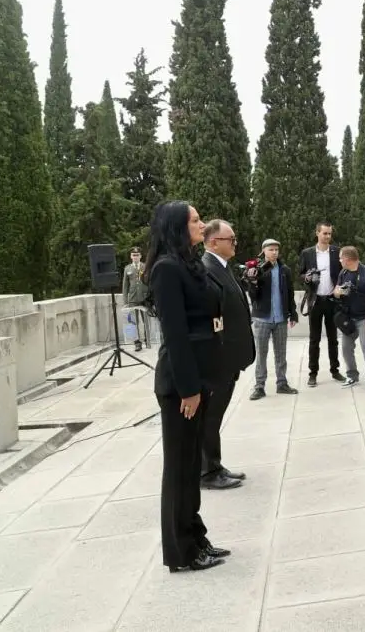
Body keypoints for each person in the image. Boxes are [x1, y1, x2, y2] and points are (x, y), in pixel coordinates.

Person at [143, 200, 228, 573]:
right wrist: (190, 389)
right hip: (181, 385)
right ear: (178, 226)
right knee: (179, 469)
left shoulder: (189, 263)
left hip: (199, 378)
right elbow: (175, 335)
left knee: (192, 466)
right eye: (195, 220)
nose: (202, 223)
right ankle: (181, 550)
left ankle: (196, 537)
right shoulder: (166, 269)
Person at [200, 219, 254, 490]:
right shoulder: (206, 270)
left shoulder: (222, 267)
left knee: (215, 417)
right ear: (213, 242)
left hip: (229, 358)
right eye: (230, 239)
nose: (235, 243)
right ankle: (206, 472)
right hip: (219, 359)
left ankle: (215, 464)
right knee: (209, 418)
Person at [246, 238, 298, 400]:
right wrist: (253, 282)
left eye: (276, 250)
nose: (274, 252)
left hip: (281, 319)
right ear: (264, 251)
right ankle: (259, 387)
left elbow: (290, 293)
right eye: (271, 250)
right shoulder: (257, 270)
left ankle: (282, 384)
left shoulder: (285, 270)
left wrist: (293, 313)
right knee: (261, 354)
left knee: (281, 354)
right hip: (262, 319)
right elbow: (253, 296)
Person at [297, 222, 344, 387]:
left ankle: (335, 370)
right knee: (314, 339)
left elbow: (343, 273)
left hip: (332, 300)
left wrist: (340, 288)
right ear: (317, 233)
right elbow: (300, 274)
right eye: (324, 233)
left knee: (333, 338)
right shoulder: (307, 253)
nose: (327, 236)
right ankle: (313, 373)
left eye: (329, 233)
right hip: (315, 301)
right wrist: (307, 278)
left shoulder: (337, 252)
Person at [334, 246, 365, 392]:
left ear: (347, 259)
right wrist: (341, 291)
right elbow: (335, 292)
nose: (339, 261)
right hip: (348, 317)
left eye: (341, 258)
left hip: (364, 317)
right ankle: (352, 375)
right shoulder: (343, 273)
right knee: (346, 347)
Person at [121, 247, 149, 351]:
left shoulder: (145, 266)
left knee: (146, 320)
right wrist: (125, 301)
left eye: (137, 255)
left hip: (144, 298)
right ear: (131, 256)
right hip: (132, 299)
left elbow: (150, 282)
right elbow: (125, 286)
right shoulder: (127, 268)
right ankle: (137, 343)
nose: (135, 257)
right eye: (133, 255)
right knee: (133, 322)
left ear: (140, 256)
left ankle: (147, 339)